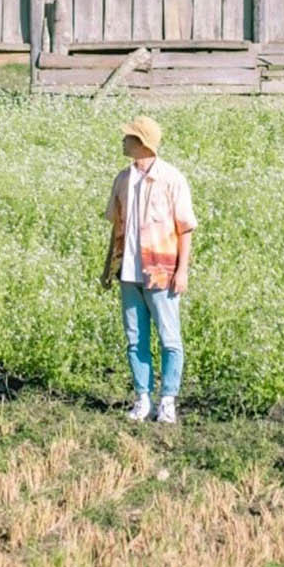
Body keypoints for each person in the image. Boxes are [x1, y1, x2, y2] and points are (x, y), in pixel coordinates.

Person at [101, 115, 197, 424]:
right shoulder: (122, 179)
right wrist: (108, 267)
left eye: (128, 137)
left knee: (170, 338)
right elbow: (116, 227)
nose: (123, 141)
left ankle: (167, 400)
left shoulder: (172, 178)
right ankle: (142, 399)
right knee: (135, 339)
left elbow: (185, 228)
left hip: (161, 272)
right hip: (128, 273)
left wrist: (182, 271)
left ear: (141, 143)